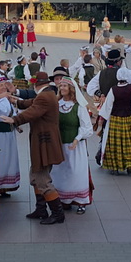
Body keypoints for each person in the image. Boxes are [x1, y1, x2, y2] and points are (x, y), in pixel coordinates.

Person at [3, 71, 67, 225]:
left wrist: (14, 119)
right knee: (35, 175)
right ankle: (41, 209)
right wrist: (14, 100)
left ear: (35, 84)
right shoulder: (47, 94)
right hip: (44, 142)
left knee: (42, 179)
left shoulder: (45, 96)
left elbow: (32, 112)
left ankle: (58, 214)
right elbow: (31, 103)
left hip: (45, 143)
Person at [51, 76, 94, 214]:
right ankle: (64, 199)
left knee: (76, 171)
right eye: (61, 86)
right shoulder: (56, 104)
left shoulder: (79, 106)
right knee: (61, 172)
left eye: (65, 86)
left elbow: (87, 127)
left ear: (71, 89)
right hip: (59, 145)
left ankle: (81, 201)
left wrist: (77, 139)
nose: (62, 88)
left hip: (75, 146)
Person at [0, 77, 21, 197]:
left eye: (4, 85)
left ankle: (4, 187)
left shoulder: (8, 99)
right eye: (0, 85)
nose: (3, 87)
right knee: (0, 159)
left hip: (9, 134)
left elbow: (12, 113)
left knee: (9, 158)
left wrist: (16, 124)